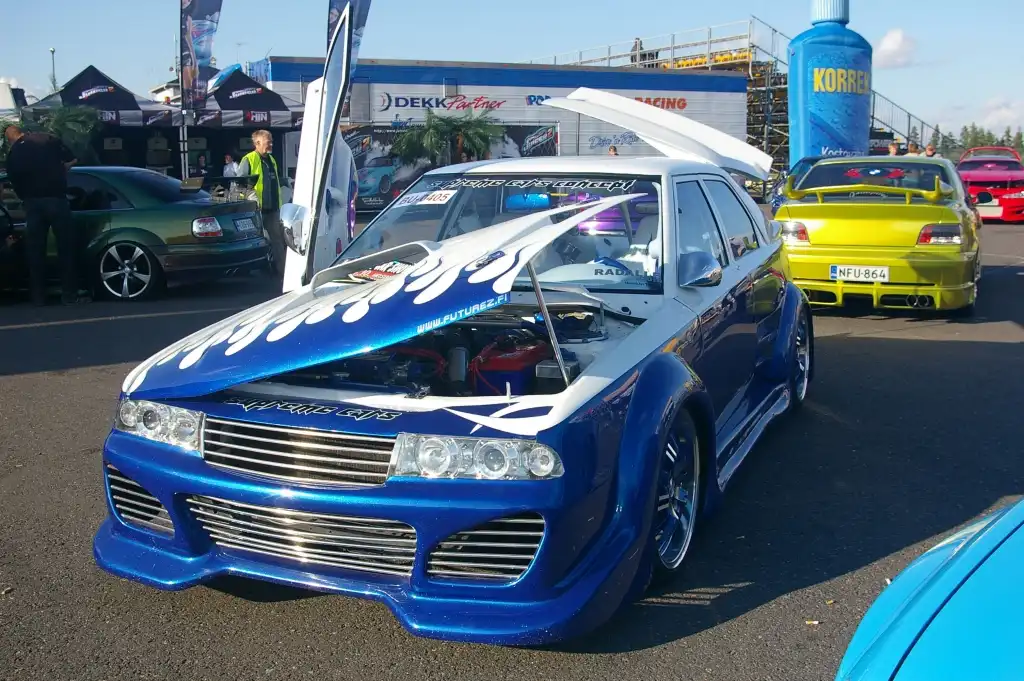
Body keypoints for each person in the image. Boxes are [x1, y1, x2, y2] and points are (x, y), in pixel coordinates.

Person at [3, 124, 86, 305]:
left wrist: (23, 197)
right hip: (56, 200)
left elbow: (12, 179)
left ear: (9, 140)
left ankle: (38, 297)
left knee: (35, 251)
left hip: (32, 204)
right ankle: (69, 295)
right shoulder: (47, 139)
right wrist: (62, 169)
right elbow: (72, 159)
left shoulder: (14, 153)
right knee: (66, 248)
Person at [237, 130, 285, 276]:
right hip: (255, 210)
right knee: (253, 241)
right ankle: (248, 272)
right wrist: (252, 197)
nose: (271, 144)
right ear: (257, 143)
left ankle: (283, 273)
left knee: (278, 241)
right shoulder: (248, 159)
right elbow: (240, 185)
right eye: (268, 142)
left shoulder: (271, 160)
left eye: (271, 141)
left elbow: (274, 181)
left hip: (272, 209)